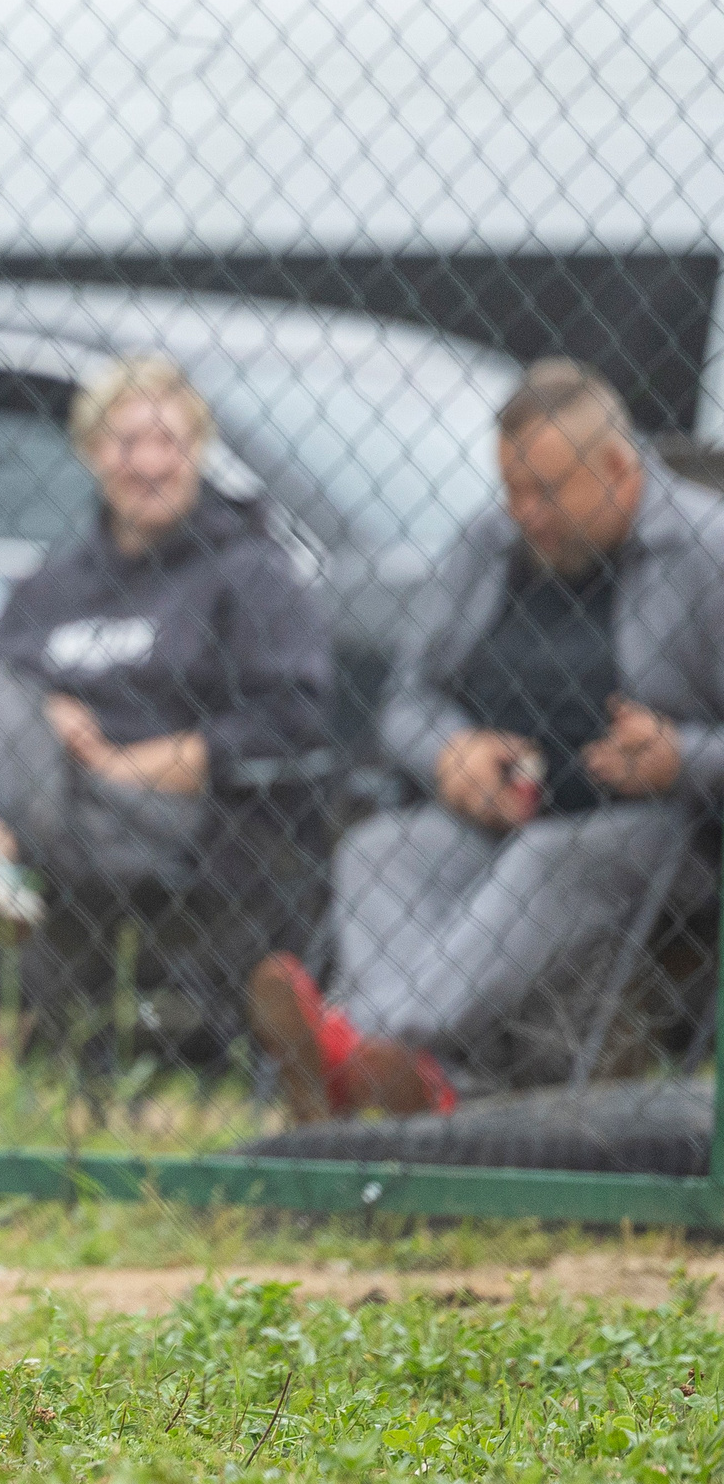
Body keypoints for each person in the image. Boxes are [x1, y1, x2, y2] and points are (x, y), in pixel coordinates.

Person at [249, 359, 724, 1119]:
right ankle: (414, 1076)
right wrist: (450, 753)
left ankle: (371, 1044)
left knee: (548, 857)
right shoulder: (489, 546)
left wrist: (679, 757)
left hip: (666, 829)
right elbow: (409, 697)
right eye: (510, 488)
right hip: (497, 814)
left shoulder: (706, 552)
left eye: (545, 490)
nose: (523, 511)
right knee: (380, 848)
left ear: (616, 467)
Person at [0, 356, 334, 1059]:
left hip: (172, 813)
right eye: (130, 442)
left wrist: (140, 760)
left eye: (172, 442)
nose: (151, 462)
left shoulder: (248, 573)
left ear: (199, 453)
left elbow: (292, 716)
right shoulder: (52, 586)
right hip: (51, 801)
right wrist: (46, 715)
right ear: (92, 452)